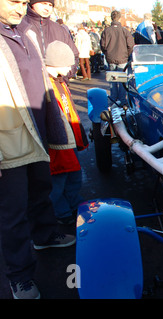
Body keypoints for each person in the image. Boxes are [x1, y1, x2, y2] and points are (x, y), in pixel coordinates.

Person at [0, 0, 76, 299]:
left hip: (36, 130)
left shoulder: (26, 32)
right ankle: (19, 276)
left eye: (22, 2)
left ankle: (45, 235)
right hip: (8, 143)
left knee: (40, 191)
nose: (19, 8)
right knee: (12, 210)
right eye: (12, 2)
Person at [45, 40, 89, 225]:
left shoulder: (60, 81)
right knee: (58, 182)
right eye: (67, 64)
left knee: (73, 175)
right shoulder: (46, 85)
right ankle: (62, 213)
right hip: (57, 144)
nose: (71, 68)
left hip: (67, 140)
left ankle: (73, 204)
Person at [24, 0, 79, 84]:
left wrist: (63, 77)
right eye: (43, 4)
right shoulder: (20, 27)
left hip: (56, 85)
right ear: (32, 4)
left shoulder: (59, 30)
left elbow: (74, 56)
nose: (47, 8)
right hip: (30, 86)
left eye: (50, 5)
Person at [101, 10, 135, 106]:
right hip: (122, 58)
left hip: (111, 58)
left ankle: (113, 100)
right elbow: (130, 45)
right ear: (119, 18)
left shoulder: (106, 31)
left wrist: (107, 53)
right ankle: (122, 101)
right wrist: (126, 55)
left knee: (112, 80)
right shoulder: (125, 31)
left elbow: (103, 46)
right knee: (122, 80)